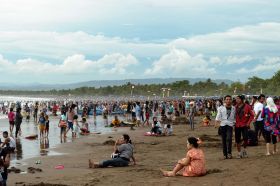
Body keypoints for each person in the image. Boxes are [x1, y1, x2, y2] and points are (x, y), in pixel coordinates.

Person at [215, 95, 236, 159]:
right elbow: (218, 116)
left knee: (229, 139)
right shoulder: (221, 108)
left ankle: (229, 153)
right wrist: (216, 123)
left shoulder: (233, 108)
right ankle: (225, 154)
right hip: (223, 125)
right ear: (224, 100)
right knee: (223, 140)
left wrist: (234, 124)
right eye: (227, 99)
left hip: (230, 125)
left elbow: (235, 117)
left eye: (229, 99)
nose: (228, 100)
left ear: (231, 100)